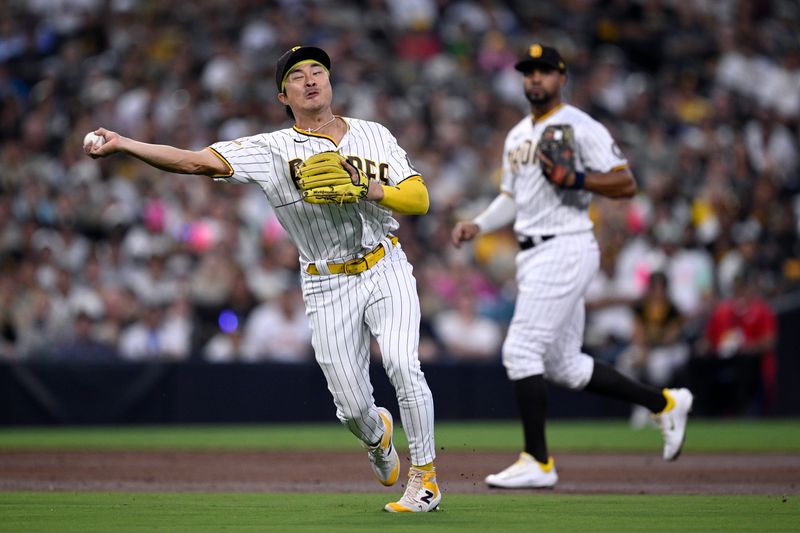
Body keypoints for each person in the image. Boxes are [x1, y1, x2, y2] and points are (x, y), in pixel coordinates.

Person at [85, 45, 440, 512]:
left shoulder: (373, 134)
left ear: (331, 82)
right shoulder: (271, 149)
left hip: (384, 261)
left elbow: (419, 198)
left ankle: (426, 478)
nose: (311, 79)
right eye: (297, 76)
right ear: (282, 96)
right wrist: (126, 144)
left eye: (318, 70)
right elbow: (193, 161)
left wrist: (368, 187)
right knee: (352, 407)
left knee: (401, 362)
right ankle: (377, 438)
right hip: (326, 280)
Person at [451, 43, 693, 489]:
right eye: (529, 72)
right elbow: (511, 196)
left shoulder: (580, 126)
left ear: (562, 78)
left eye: (544, 71)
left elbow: (625, 181)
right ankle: (664, 404)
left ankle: (538, 461)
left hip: (565, 244)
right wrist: (479, 225)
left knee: (520, 351)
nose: (535, 79)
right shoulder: (518, 134)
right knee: (564, 365)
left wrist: (577, 179)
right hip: (534, 251)